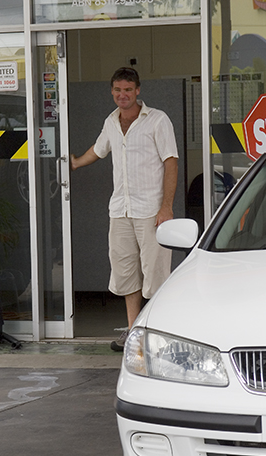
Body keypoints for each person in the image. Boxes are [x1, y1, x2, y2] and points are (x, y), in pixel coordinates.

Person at [70, 67, 178, 351]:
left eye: (128, 90)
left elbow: (171, 162)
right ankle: (133, 332)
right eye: (117, 90)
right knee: (126, 273)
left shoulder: (157, 120)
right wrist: (77, 162)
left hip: (151, 210)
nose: (122, 95)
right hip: (120, 210)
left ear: (138, 90)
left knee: (155, 274)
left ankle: (158, 334)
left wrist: (166, 207)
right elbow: (100, 148)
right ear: (112, 91)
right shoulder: (111, 121)